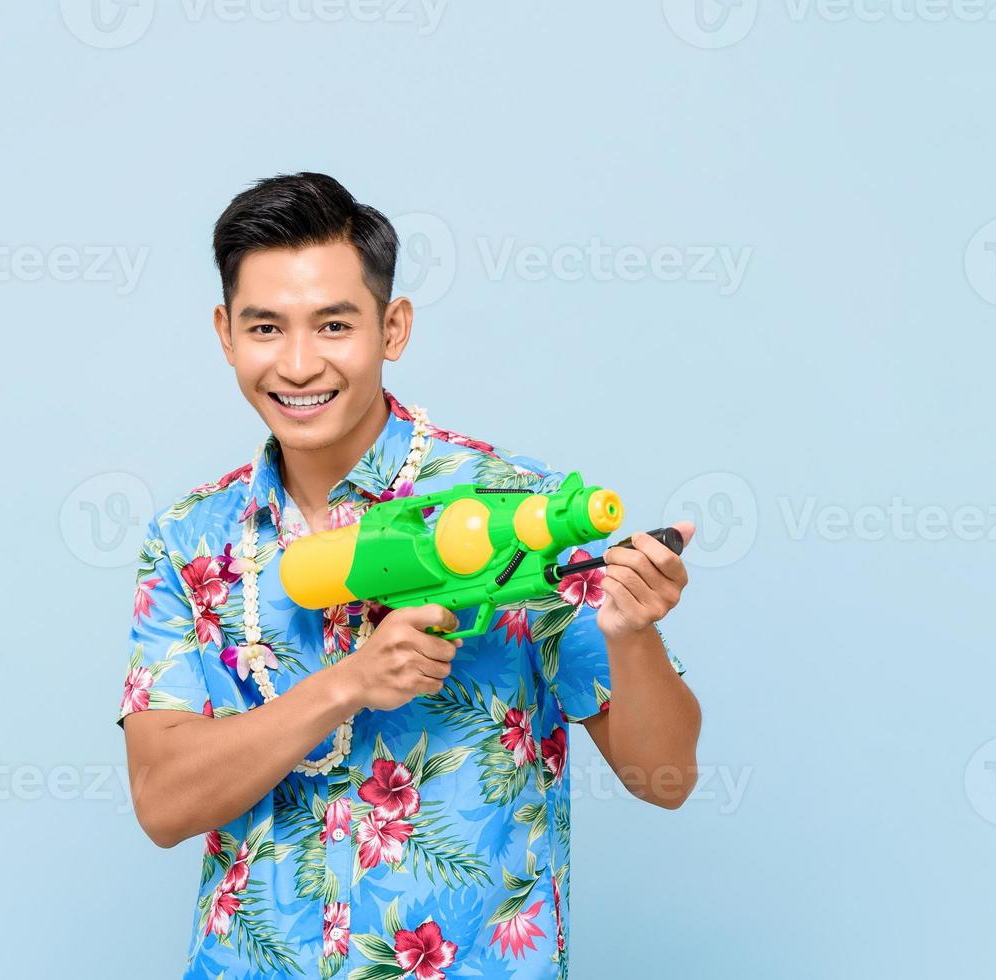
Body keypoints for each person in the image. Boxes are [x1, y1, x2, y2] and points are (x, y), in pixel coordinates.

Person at [116, 172, 702, 980]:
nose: (296, 364)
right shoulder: (189, 539)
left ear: (392, 328)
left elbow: (664, 778)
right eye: (264, 327)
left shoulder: (513, 508)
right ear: (225, 334)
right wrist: (345, 684)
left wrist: (634, 636)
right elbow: (163, 803)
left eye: (332, 325)